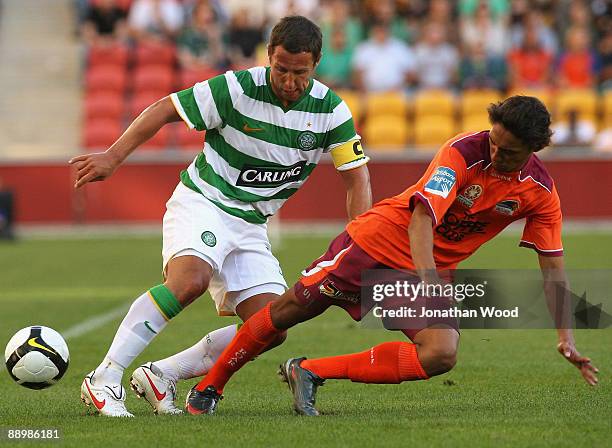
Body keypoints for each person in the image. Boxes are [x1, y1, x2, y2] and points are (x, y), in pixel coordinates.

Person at [184, 96, 599, 416]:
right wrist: (430, 282)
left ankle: (309, 371)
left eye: (507, 153)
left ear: (534, 149)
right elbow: (421, 218)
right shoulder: (463, 152)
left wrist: (566, 336)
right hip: (375, 243)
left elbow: (553, 269)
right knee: (288, 312)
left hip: (423, 270)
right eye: (493, 142)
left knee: (440, 353)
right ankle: (209, 387)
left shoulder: (540, 192)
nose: (495, 155)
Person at [71, 15, 372, 417]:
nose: (288, 80)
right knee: (188, 281)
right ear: (269, 57)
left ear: (315, 64)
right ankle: (104, 378)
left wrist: (360, 240)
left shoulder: (331, 111)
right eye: (281, 69)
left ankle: (162, 374)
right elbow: (165, 108)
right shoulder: (236, 87)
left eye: (299, 73)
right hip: (204, 202)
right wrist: (113, 156)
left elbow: (357, 179)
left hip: (250, 225)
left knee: (272, 327)